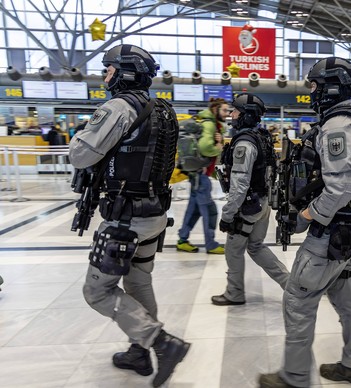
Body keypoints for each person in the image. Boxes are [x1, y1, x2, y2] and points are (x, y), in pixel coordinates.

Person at [69, 44, 189, 388]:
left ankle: (161, 342)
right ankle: (139, 351)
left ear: (124, 72)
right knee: (138, 282)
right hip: (153, 214)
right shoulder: (163, 109)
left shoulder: (118, 107)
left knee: (98, 292)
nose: (105, 76)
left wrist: (82, 132)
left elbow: (80, 155)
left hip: (125, 219)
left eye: (108, 69)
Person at [259, 57, 351, 388]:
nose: (311, 90)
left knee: (297, 300)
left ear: (329, 86)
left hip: (330, 234)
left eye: (314, 84)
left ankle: (293, 378)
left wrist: (306, 216)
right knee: (346, 299)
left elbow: (340, 188)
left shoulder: (338, 125)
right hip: (347, 233)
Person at [211, 93, 289, 306]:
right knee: (256, 247)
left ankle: (234, 293)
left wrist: (227, 215)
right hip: (261, 204)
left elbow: (240, 185)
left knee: (233, 250)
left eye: (235, 111)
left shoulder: (244, 144)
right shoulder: (261, 137)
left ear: (246, 115)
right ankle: (290, 285)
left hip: (246, 206)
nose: (232, 115)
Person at [176, 98, 228, 255]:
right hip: (201, 178)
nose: (227, 113)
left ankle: (182, 240)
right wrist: (218, 147)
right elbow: (205, 148)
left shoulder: (208, 123)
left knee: (194, 211)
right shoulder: (210, 124)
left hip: (197, 175)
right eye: (224, 110)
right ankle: (211, 244)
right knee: (210, 211)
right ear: (215, 110)